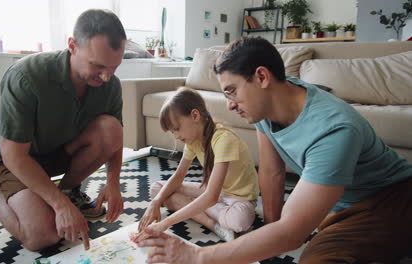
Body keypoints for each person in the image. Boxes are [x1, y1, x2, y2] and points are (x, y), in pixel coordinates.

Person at [137, 37, 412, 264]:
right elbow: (271, 172)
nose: (229, 105)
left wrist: (197, 256)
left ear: (261, 77)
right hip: (340, 201)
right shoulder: (265, 109)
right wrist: (270, 233)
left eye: (232, 91)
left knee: (315, 257)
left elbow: (292, 233)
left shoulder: (335, 129)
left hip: (388, 198)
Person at [0, 9, 126, 251]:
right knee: (43, 235)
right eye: (98, 66)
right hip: (14, 160)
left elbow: (116, 139)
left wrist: (113, 182)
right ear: (72, 46)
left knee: (111, 130)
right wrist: (59, 205)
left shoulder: (110, 85)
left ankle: (67, 192)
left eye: (114, 67)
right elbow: (13, 155)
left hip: (57, 150)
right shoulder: (26, 76)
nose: (106, 76)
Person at [136, 87, 259, 242]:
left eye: (176, 129)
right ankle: (213, 224)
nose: (176, 136)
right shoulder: (193, 140)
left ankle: (195, 207)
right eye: (172, 132)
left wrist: (165, 223)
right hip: (214, 192)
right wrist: (155, 203)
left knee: (239, 221)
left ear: (195, 115)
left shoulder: (224, 139)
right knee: (157, 190)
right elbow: (179, 175)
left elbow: (211, 196)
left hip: (239, 198)